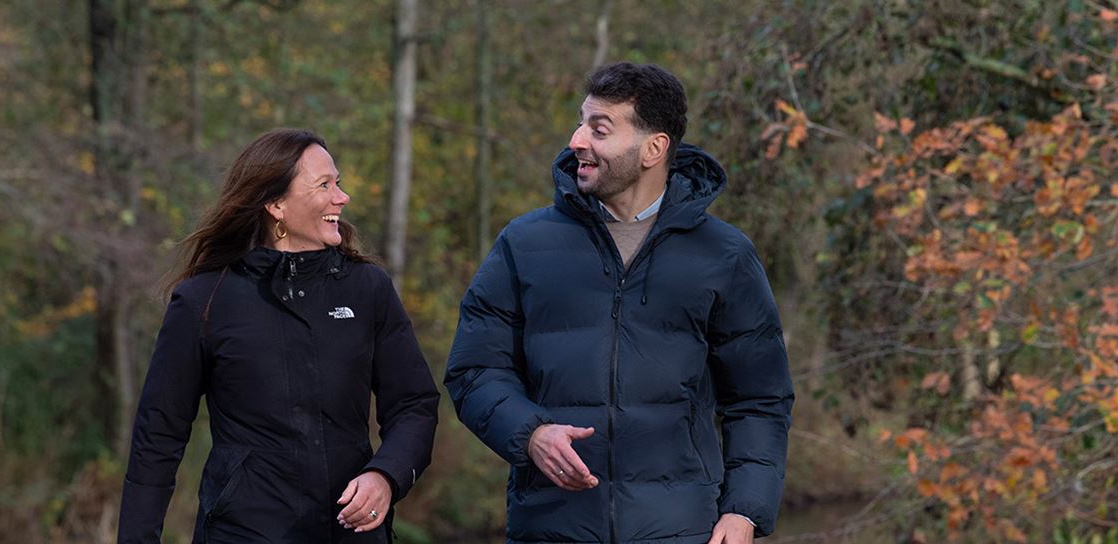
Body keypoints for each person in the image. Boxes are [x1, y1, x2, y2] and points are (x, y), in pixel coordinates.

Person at [445, 62, 794, 544]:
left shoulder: (724, 255)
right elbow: (474, 370)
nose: (577, 141)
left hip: (684, 530)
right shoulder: (523, 244)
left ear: (654, 148)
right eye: (581, 122)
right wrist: (530, 433)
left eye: (599, 128)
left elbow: (760, 399)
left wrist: (743, 511)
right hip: (551, 529)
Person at [117, 128, 439, 543]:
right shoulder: (204, 300)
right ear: (275, 205)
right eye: (325, 185)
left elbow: (415, 404)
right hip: (244, 532)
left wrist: (386, 475)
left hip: (351, 533)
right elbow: (156, 438)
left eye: (338, 182)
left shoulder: (367, 288)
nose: (342, 197)